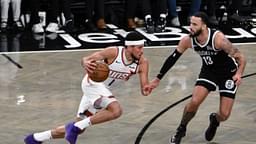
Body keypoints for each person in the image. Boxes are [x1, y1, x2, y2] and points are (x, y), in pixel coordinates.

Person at [24, 31, 152, 144]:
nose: (142, 51)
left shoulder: (142, 63)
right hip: (92, 84)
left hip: (102, 91)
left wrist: (147, 89)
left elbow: (144, 87)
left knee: (80, 128)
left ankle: (35, 138)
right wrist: (85, 62)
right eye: (139, 48)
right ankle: (73, 128)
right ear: (129, 47)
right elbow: (86, 59)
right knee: (116, 110)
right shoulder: (113, 52)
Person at [147, 12, 246, 144]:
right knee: (194, 101)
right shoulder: (187, 40)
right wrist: (158, 78)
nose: (190, 27)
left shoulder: (218, 39)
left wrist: (239, 74)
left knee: (224, 114)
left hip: (228, 73)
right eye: (190, 23)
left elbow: (241, 58)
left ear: (204, 26)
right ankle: (181, 129)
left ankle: (215, 120)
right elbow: (173, 58)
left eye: (194, 24)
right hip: (209, 71)